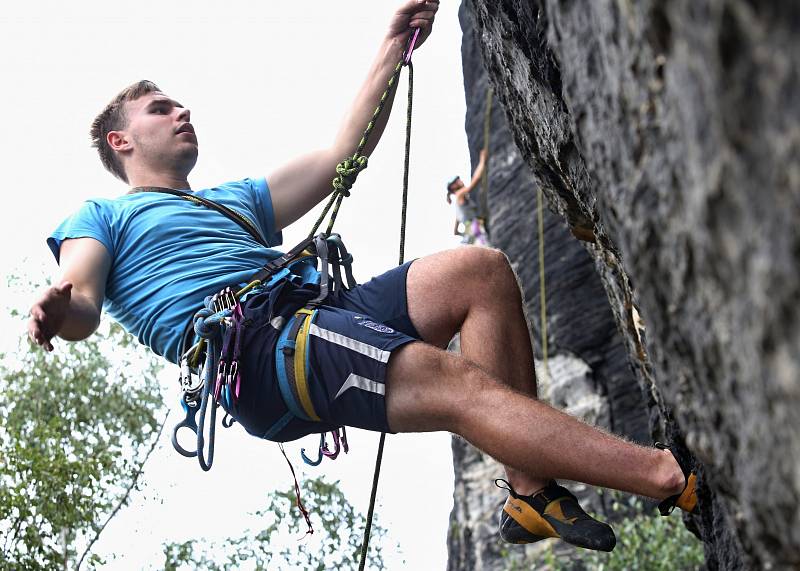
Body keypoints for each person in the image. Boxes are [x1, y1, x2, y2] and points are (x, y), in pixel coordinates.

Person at [27, 0, 697, 553]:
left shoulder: (230, 201)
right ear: (121, 141)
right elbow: (84, 296)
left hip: (315, 309)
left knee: (479, 272)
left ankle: (529, 492)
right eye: (161, 109)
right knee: (452, 380)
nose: (183, 113)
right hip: (259, 351)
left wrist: (391, 42)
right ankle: (669, 475)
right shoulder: (102, 214)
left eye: (180, 105)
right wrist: (63, 309)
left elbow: (341, 155)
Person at [447, 148, 488, 245]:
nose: (461, 181)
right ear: (454, 186)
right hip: (476, 230)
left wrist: (466, 234)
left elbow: (455, 232)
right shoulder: (459, 194)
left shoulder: (458, 208)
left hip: (470, 234)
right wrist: (482, 160)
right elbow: (475, 181)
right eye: (458, 180)